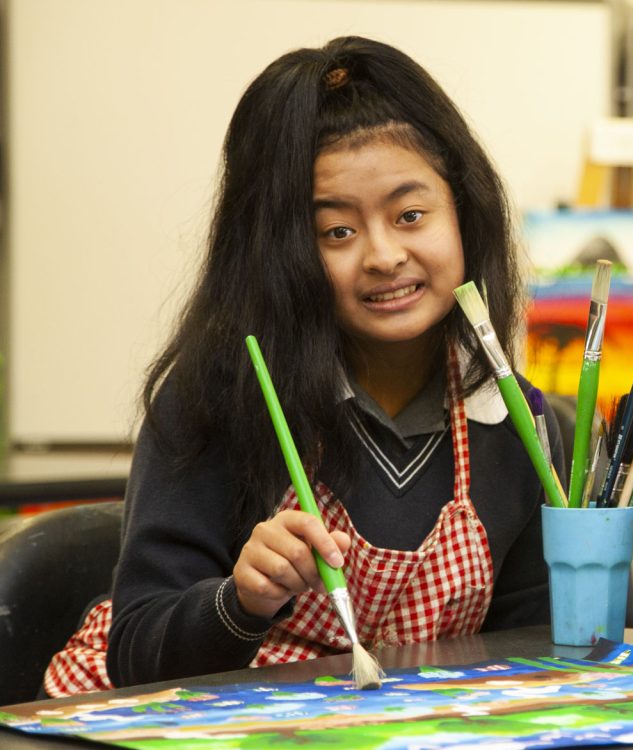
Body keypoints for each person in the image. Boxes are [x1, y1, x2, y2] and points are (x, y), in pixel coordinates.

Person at [44, 36, 560, 696]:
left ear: (465, 211)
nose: (383, 254)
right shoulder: (216, 402)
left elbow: (526, 660)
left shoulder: (517, 423)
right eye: (337, 231)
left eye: (410, 214)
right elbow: (137, 650)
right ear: (282, 252)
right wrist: (240, 600)